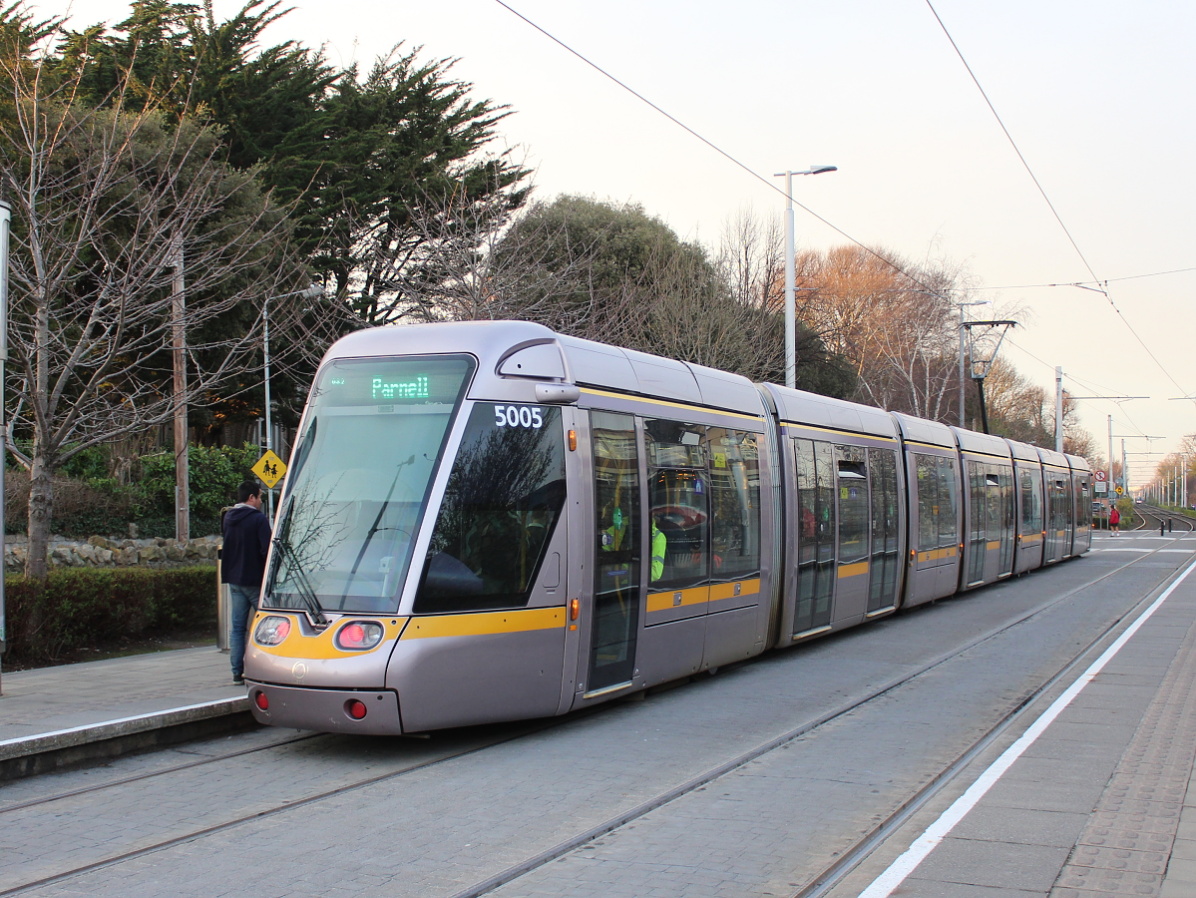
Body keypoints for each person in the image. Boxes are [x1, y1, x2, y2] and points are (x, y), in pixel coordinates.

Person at [222, 480, 272, 684]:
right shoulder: (258, 519)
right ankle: (269, 669)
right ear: (251, 497)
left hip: (234, 579)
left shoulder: (228, 517)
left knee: (237, 627)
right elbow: (267, 550)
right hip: (255, 579)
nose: (261, 501)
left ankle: (237, 671)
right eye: (259, 496)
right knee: (268, 626)